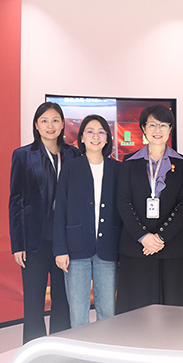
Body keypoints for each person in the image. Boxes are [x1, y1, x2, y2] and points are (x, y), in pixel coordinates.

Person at [116, 104, 183, 363]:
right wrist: (143, 236)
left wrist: (159, 236)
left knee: (172, 312)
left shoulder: (182, 163)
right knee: (138, 311)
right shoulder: (129, 162)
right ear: (143, 130)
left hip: (170, 249)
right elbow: (123, 202)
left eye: (163, 125)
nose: (157, 130)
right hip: (136, 248)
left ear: (170, 130)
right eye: (152, 125)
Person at [9, 102, 78, 344]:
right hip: (33, 241)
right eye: (45, 120)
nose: (51, 125)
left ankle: (61, 348)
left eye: (55, 120)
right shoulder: (23, 155)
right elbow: (16, 201)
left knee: (63, 299)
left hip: (65, 241)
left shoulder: (73, 154)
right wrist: (18, 244)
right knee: (33, 301)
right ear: (36, 125)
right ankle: (34, 351)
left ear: (63, 124)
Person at [54, 114, 122, 328]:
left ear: (107, 137)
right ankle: (81, 349)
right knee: (78, 313)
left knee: (108, 311)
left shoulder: (117, 169)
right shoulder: (70, 168)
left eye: (101, 132)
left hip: (108, 249)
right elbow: (60, 209)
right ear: (81, 138)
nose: (95, 137)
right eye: (90, 132)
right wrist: (60, 249)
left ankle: (106, 347)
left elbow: (123, 210)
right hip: (75, 250)